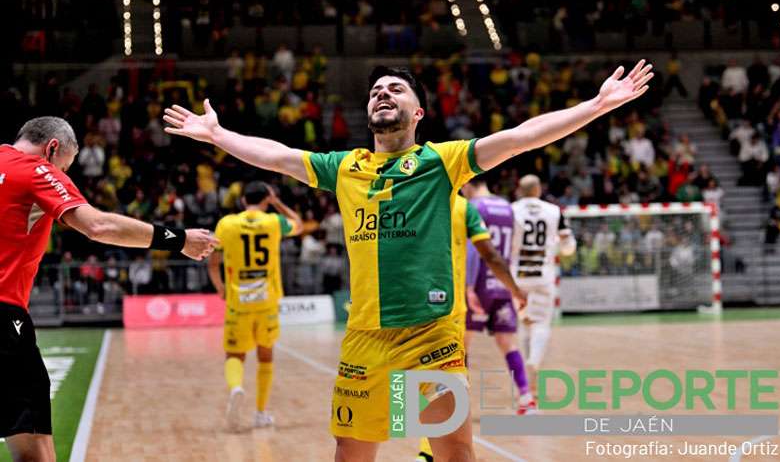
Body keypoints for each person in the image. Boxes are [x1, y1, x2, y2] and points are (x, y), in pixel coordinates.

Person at [164, 60, 652, 461]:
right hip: (364, 338)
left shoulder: (444, 161)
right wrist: (220, 136)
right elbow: (278, 155)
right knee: (350, 451)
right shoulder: (345, 167)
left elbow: (523, 136)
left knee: (453, 452)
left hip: (431, 334)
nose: (382, 93)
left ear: (418, 112)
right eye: (376, 89)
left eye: (395, 89)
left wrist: (597, 104)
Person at [0, 117, 217, 462]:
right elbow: (97, 225)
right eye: (67, 167)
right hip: (4, 315)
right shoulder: (37, 169)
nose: (65, 174)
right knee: (33, 449)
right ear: (52, 148)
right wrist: (178, 240)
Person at [416, 193, 526, 462]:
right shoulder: (471, 208)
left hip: (418, 304)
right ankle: (527, 397)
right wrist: (515, 290)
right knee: (449, 380)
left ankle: (424, 450)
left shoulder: (422, 201)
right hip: (457, 304)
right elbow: (490, 254)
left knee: (420, 380)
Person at [207, 181, 303, 431]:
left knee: (234, 355)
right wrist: (277, 203)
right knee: (266, 355)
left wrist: (220, 288)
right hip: (267, 301)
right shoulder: (273, 222)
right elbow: (298, 224)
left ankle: (236, 387)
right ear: (266, 199)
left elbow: (212, 263)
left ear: (242, 201)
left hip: (239, 301)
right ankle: (260, 413)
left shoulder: (227, 224)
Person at [460, 179, 535, 415]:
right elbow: (512, 248)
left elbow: (474, 250)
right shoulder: (506, 207)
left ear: (467, 183)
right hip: (501, 283)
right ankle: (526, 398)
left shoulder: (474, 207)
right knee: (508, 343)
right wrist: (513, 287)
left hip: (479, 282)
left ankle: (459, 405)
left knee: (461, 345)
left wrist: (469, 286)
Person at [510, 174, 577, 408]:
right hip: (543, 276)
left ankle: (526, 385)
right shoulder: (554, 211)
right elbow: (568, 247)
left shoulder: (511, 210)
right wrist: (560, 246)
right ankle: (534, 362)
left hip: (516, 277)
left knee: (523, 325)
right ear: (538, 189)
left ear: (519, 189)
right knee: (541, 325)